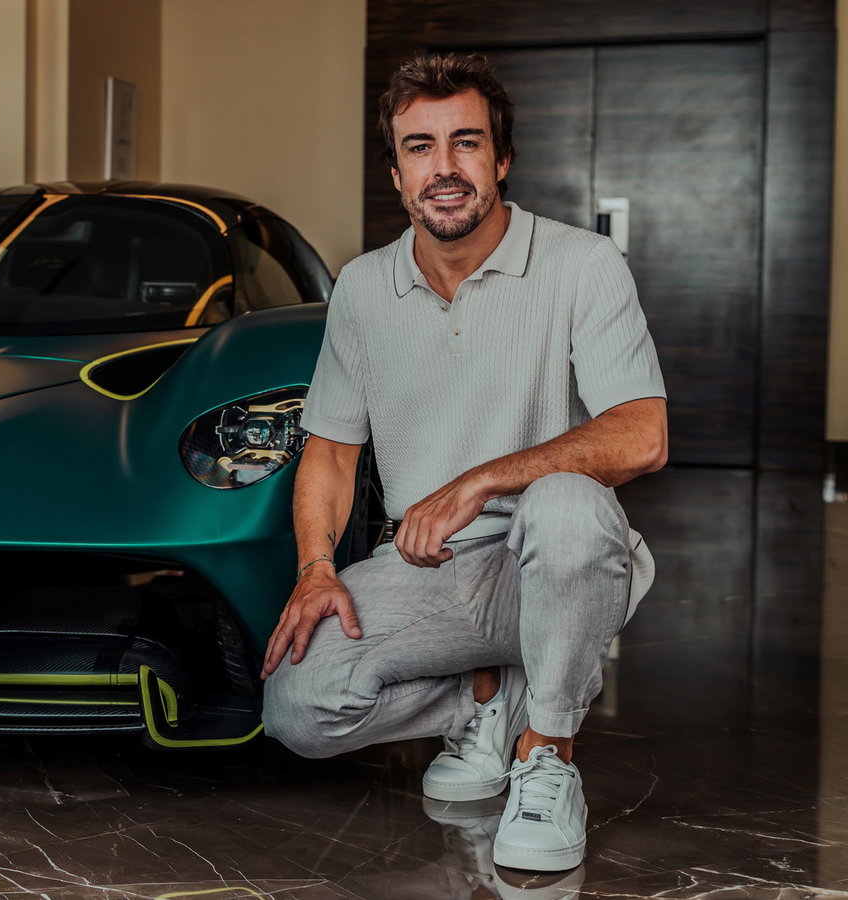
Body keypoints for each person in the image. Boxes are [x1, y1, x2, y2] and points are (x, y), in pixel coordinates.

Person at [259, 52, 666, 873]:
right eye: (420, 147)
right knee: (297, 707)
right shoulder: (363, 290)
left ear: (502, 160)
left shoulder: (584, 266)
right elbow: (332, 451)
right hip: (433, 571)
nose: (444, 168)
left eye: (466, 143)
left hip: (561, 559)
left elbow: (642, 435)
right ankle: (485, 696)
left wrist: (483, 477)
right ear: (396, 173)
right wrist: (313, 568)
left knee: (565, 503)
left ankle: (546, 752)